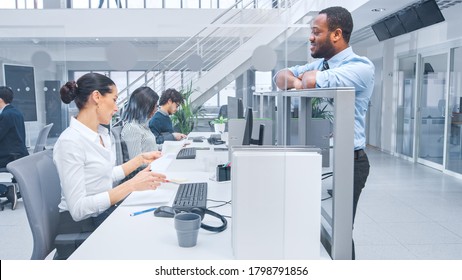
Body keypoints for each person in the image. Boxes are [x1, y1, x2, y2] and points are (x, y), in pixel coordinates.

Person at [275, 6, 374, 259]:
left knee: (339, 231)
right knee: (316, 225)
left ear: (336, 34)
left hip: (349, 161)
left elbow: (309, 82)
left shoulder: (361, 67)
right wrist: (301, 79)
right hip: (318, 156)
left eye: (316, 32)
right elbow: (280, 77)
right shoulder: (320, 64)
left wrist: (302, 81)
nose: (310, 37)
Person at [53, 73, 166, 258]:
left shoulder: (101, 134)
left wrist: (140, 160)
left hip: (101, 213)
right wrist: (131, 185)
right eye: (113, 100)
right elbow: (78, 209)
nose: (116, 108)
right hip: (80, 225)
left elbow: (103, 175)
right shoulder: (70, 142)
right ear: (96, 97)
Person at [0, 86, 29, 210]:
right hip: (18, 154)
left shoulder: (6, 115)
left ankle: (6, 190)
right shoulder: (16, 112)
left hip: (10, 156)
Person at [121, 86, 159, 160]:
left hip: (153, 165)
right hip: (147, 169)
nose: (156, 109)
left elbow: (150, 147)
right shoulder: (132, 128)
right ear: (145, 107)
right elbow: (136, 162)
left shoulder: (141, 125)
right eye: (154, 106)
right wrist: (159, 160)